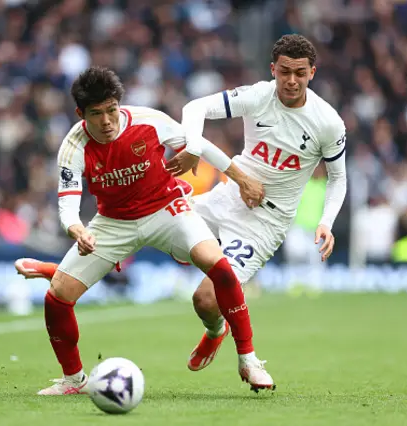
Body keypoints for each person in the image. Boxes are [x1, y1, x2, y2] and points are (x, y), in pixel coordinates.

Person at [19, 33, 347, 383]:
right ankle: (65, 274)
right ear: (273, 70)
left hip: (265, 221)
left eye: (299, 73)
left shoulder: (327, 122)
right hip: (224, 197)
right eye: (284, 72)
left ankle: (219, 333)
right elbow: (195, 109)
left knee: (206, 298)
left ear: (313, 72)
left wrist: (326, 221)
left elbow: (338, 178)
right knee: (154, 230)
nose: (291, 80)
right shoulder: (259, 95)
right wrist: (225, 169)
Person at [24, 66, 275, 396]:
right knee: (58, 297)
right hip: (113, 223)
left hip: (166, 209)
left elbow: (200, 145)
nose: (107, 121)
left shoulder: (147, 120)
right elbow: (68, 201)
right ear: (80, 113)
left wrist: (241, 178)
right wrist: (76, 229)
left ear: (119, 105)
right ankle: (74, 380)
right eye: (96, 114)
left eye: (111, 110)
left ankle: (248, 359)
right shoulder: (74, 145)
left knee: (220, 267)